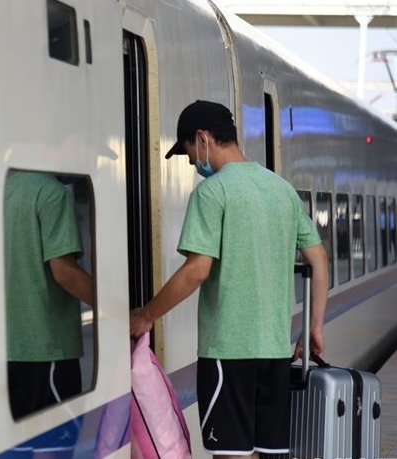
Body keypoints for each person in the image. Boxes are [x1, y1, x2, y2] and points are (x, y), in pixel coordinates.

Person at [129, 100, 329, 458]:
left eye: (189, 152)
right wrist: (313, 327)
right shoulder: (282, 190)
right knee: (265, 452)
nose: (192, 163)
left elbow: (197, 269)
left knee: (232, 454)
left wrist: (147, 315)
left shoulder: (211, 193)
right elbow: (318, 259)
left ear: (202, 138)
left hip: (228, 354)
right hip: (275, 353)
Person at [4, 171, 95, 420]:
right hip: (47, 347)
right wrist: (118, 310)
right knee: (58, 435)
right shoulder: (52, 194)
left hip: (4, 348)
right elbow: (65, 272)